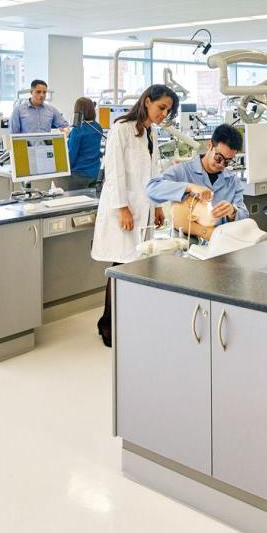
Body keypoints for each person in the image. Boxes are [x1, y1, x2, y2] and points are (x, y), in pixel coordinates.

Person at [91, 84, 179, 347]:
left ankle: (120, 320)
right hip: (124, 209)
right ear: (147, 101)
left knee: (135, 265)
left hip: (144, 208)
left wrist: (158, 205)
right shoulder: (121, 129)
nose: (164, 114)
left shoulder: (151, 132)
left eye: (168, 111)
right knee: (121, 265)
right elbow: (115, 172)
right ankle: (108, 325)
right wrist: (123, 209)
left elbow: (152, 175)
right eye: (161, 107)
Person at [146, 124, 249, 240]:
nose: (221, 164)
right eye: (218, 158)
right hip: (187, 244)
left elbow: (244, 216)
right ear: (209, 146)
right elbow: (152, 189)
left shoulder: (233, 181)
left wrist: (233, 211)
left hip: (220, 244)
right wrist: (189, 187)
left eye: (227, 161)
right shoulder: (183, 171)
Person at [63, 97, 104, 190]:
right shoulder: (97, 127)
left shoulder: (77, 130)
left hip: (79, 175)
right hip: (95, 173)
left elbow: (71, 155)